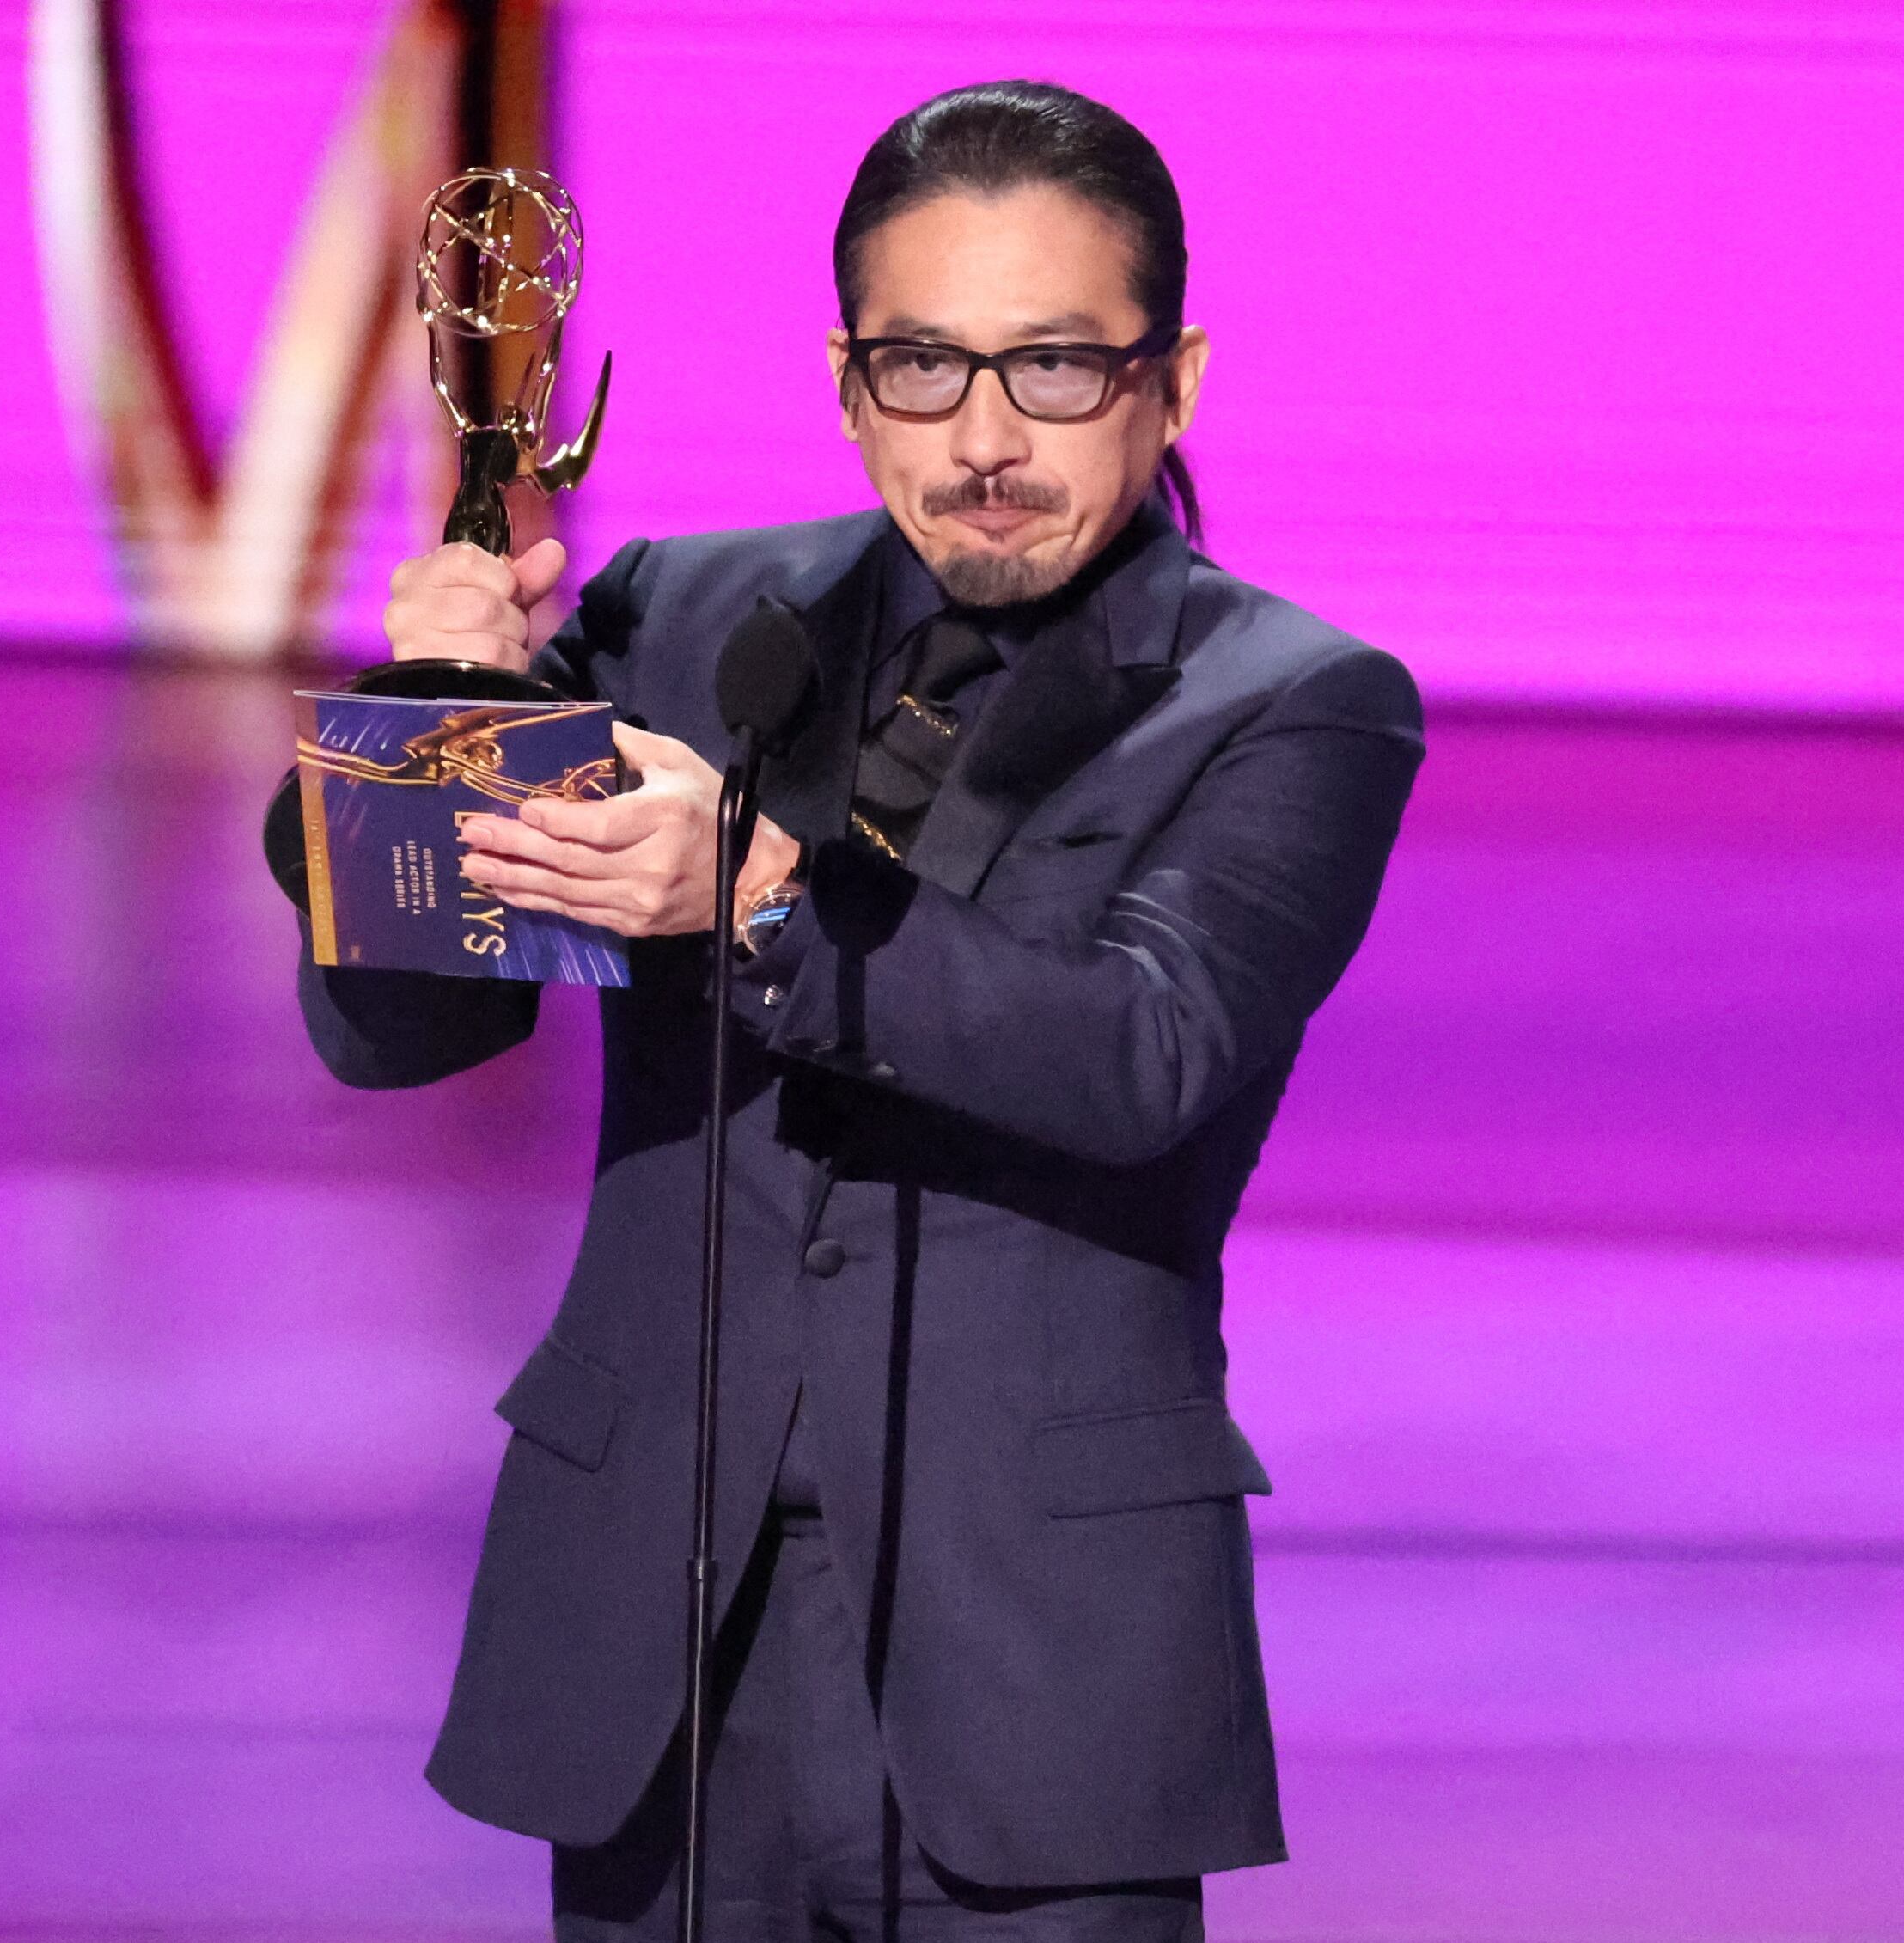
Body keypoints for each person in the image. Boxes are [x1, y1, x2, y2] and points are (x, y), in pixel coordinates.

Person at [293, 81, 1425, 1941]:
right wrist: (431, 706)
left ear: (1175, 377)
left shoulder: (1292, 701)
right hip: (661, 1627)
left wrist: (757, 895)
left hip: (1034, 1667)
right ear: (844, 381)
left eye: (1054, 367)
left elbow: (1138, 1052)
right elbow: (404, 1030)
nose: (984, 438)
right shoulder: (680, 619)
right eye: (923, 367)